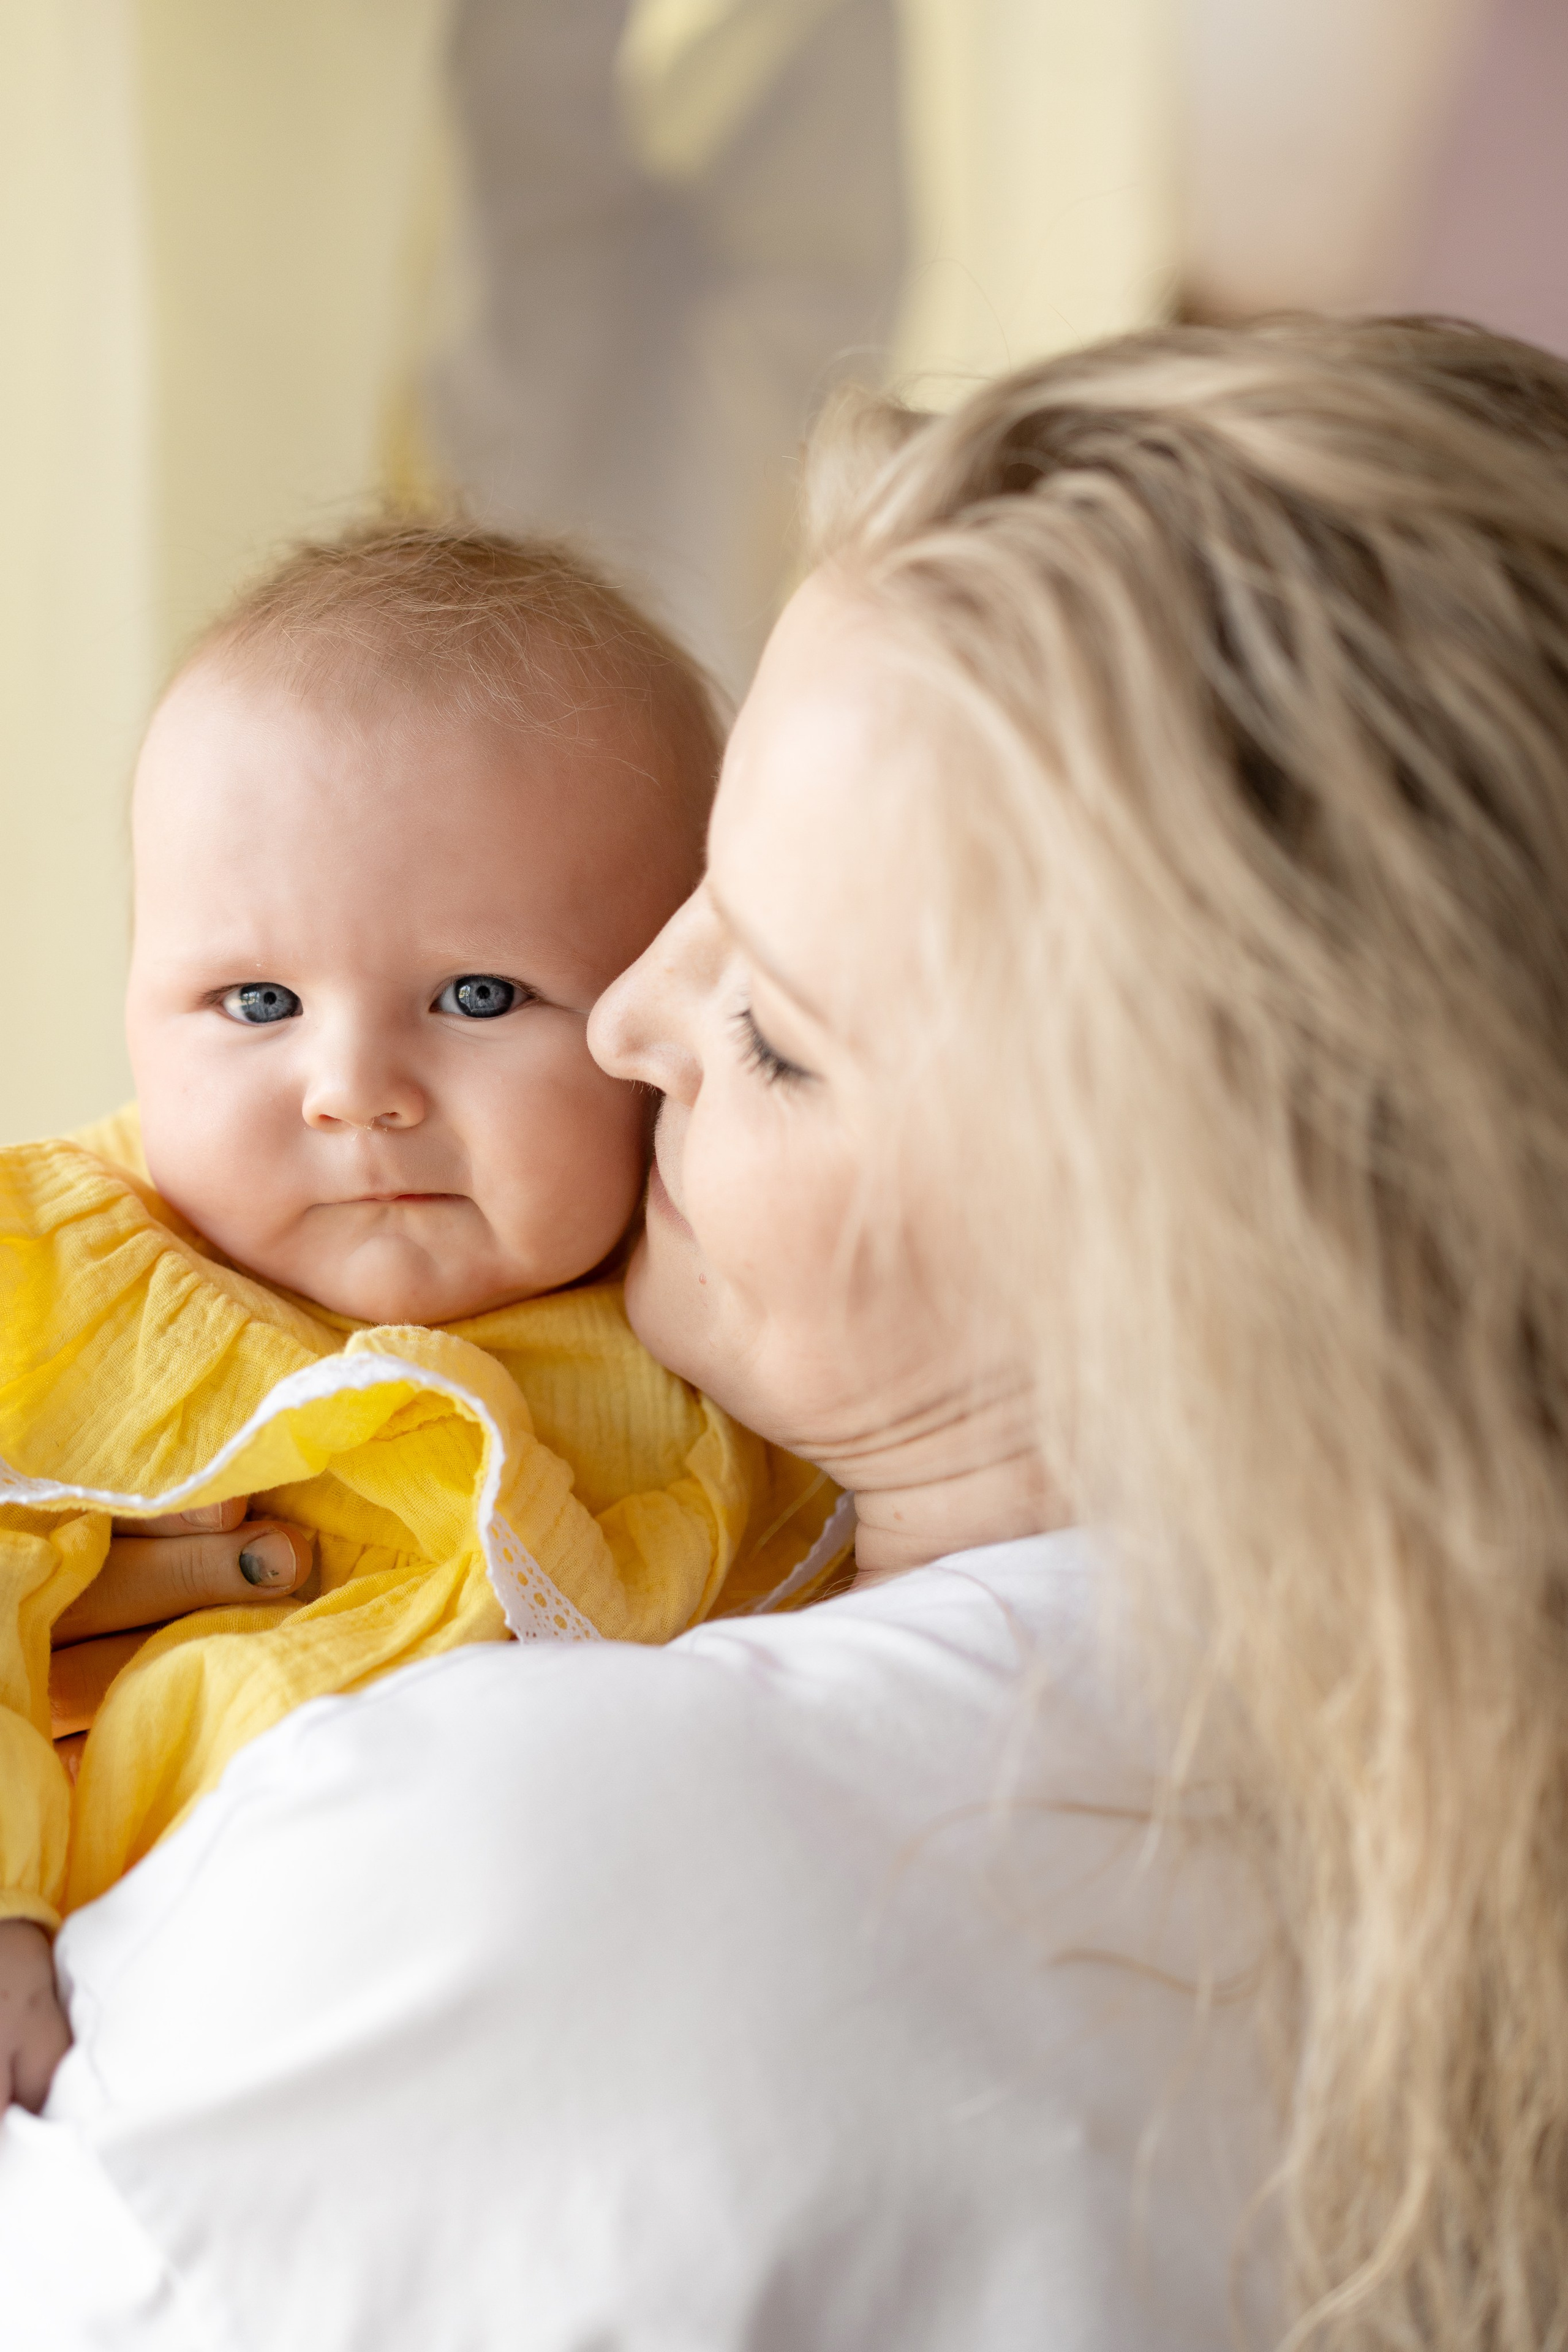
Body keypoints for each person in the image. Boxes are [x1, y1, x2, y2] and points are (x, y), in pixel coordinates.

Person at [5, 311, 1567, 2350]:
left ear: (1171, 1236)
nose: (636, 1026)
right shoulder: (1433, 1822)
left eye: (771, 1026)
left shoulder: (518, 1876)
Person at [0, 526, 848, 2098]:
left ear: (669, 1003)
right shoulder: (64, 1285)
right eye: (257, 1003)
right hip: (100, 2015)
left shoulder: (735, 1333)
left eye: (477, 997)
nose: (354, 1092)